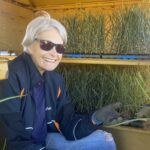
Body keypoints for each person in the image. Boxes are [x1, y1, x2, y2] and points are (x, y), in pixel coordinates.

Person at [0, 11, 121, 150]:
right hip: (21, 146)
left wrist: (95, 118)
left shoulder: (55, 80)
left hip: (44, 140)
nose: (54, 53)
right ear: (29, 43)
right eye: (46, 44)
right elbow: (13, 141)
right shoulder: (9, 76)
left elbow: (68, 125)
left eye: (60, 48)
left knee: (103, 139)